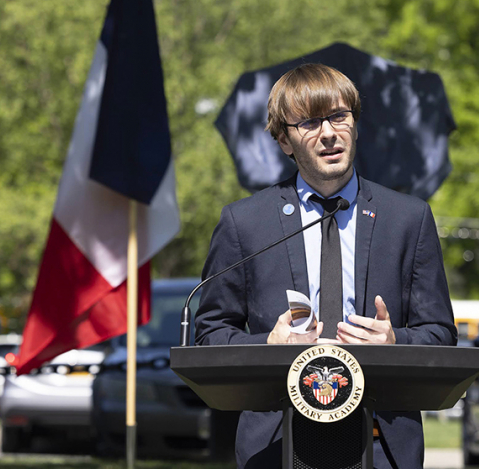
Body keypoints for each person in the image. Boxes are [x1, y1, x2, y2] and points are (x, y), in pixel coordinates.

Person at [195, 63, 456, 469]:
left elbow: (440, 334)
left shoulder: (408, 218)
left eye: (339, 116)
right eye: (311, 123)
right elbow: (209, 335)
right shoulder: (244, 224)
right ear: (284, 140)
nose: (330, 133)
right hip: (278, 440)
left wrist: (393, 342)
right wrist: (268, 345)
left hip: (380, 441)